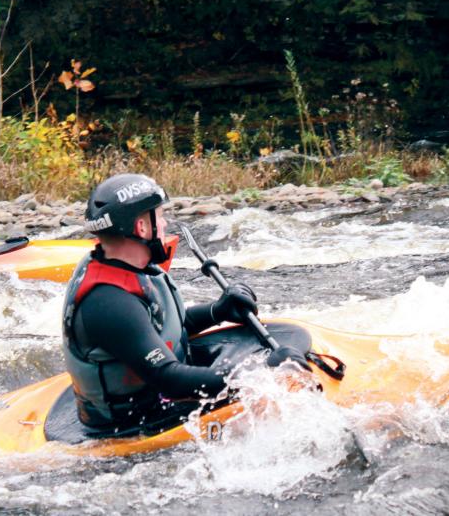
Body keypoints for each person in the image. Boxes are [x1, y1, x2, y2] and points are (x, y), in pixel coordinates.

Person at [61, 173, 309, 434]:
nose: (165, 222)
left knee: (287, 339)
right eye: (159, 215)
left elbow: (165, 329)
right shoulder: (108, 302)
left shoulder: (130, 267)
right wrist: (260, 377)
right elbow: (169, 380)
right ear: (142, 227)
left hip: (156, 389)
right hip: (137, 419)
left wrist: (217, 311)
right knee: (271, 369)